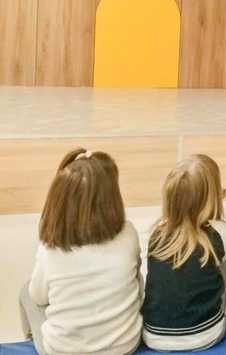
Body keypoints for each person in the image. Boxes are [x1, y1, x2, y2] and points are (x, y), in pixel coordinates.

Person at [19, 149, 143, 355]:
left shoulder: (51, 246)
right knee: (133, 274)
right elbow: (137, 281)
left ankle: (31, 343)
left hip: (63, 351)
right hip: (125, 345)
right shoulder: (129, 233)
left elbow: (38, 297)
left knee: (26, 291)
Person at [142, 155, 226, 351]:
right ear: (213, 196)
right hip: (206, 335)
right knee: (221, 265)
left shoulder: (155, 235)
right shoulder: (222, 232)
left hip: (154, 336)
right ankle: (218, 314)